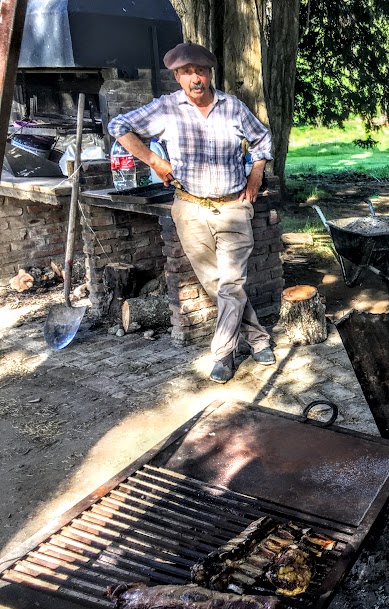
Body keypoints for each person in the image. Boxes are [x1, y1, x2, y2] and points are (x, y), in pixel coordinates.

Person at [108, 42, 276, 384]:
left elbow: (261, 139)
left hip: (233, 207)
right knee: (217, 284)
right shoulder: (166, 109)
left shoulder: (233, 107)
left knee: (231, 283)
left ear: (210, 73)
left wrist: (256, 174)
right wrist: (153, 160)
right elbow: (118, 126)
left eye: (200, 71)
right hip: (189, 209)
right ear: (177, 76)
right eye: (187, 73)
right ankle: (258, 338)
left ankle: (223, 355)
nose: (195, 78)